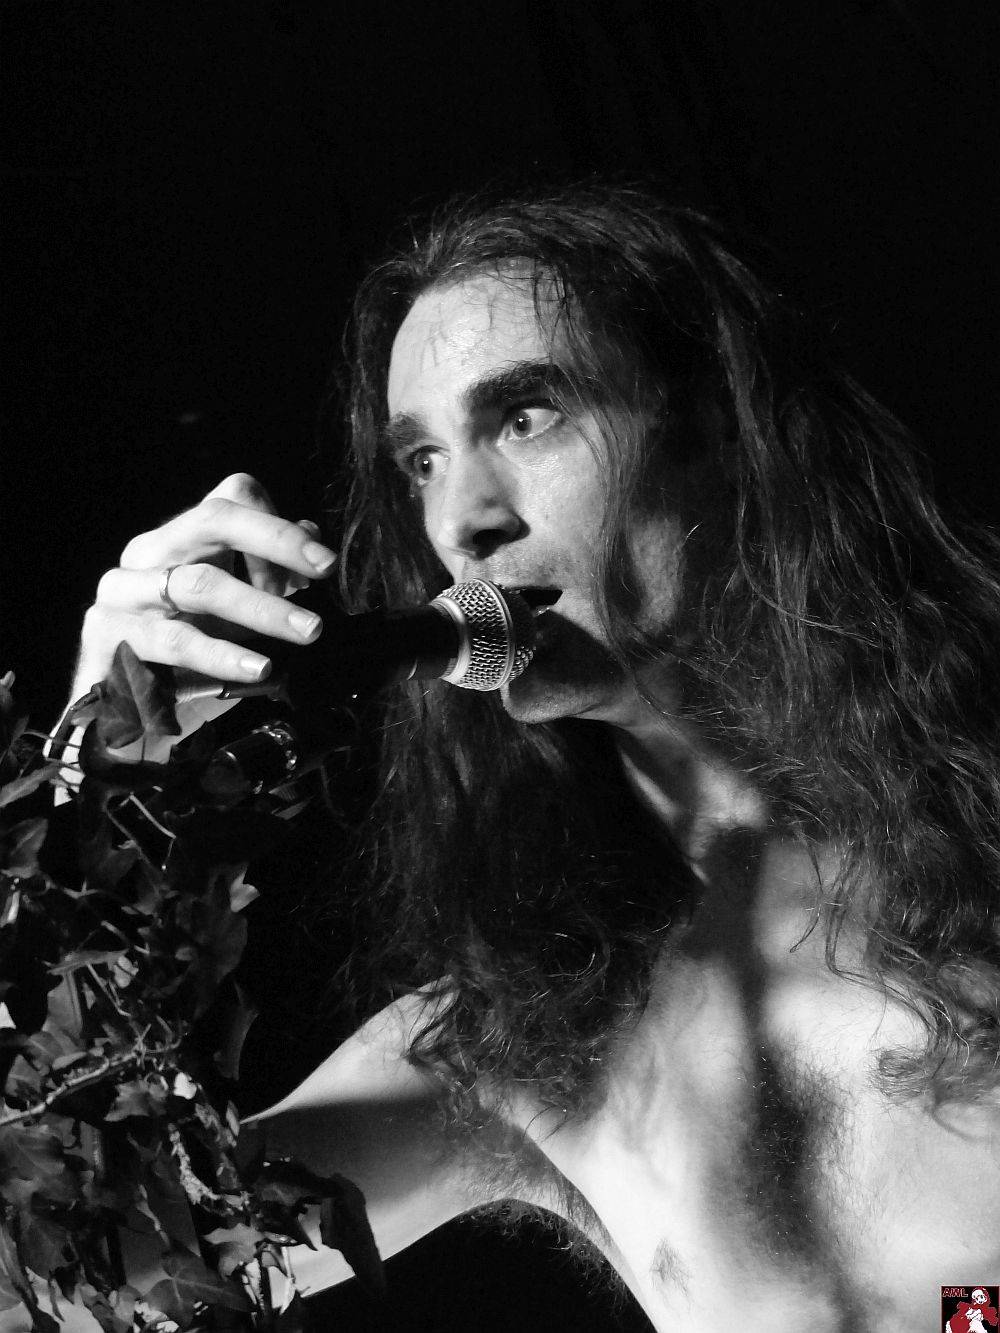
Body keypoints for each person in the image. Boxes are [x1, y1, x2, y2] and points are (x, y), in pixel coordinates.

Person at [70, 185, 1000, 1329]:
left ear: (717, 426)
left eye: (525, 417)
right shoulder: (519, 1036)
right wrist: (87, 794)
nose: (461, 520)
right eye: (421, 460)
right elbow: (82, 1276)